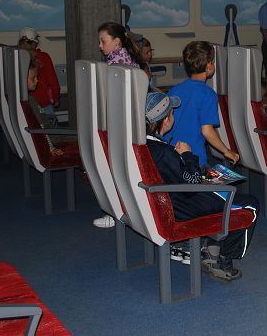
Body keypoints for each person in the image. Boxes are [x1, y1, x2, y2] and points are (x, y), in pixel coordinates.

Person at [145, 91, 258, 281]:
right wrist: (187, 155)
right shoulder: (164, 153)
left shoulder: (145, 146)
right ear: (165, 120)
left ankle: (208, 245)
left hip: (167, 200)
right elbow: (193, 182)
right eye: (172, 113)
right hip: (184, 205)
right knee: (250, 204)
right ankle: (223, 257)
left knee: (223, 188)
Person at [93, 21, 145, 228]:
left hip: (119, 125)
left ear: (116, 42)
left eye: (103, 41)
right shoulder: (120, 60)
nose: (100, 46)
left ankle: (115, 213)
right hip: (125, 123)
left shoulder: (117, 65)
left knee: (116, 168)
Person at [167, 41, 239, 167]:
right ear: (208, 66)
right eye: (213, 62)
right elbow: (207, 131)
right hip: (194, 158)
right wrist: (227, 151)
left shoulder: (175, 89)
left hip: (171, 156)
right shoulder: (208, 94)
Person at [17, 27, 60, 125]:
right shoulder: (43, 57)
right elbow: (52, 80)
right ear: (35, 42)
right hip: (43, 103)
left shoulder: (16, 57)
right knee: (51, 129)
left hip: (24, 103)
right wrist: (56, 98)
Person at [26, 53, 64, 156]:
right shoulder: (31, 101)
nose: (37, 80)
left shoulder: (25, 99)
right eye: (33, 78)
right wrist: (51, 148)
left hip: (46, 134)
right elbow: (42, 129)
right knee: (81, 137)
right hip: (50, 136)